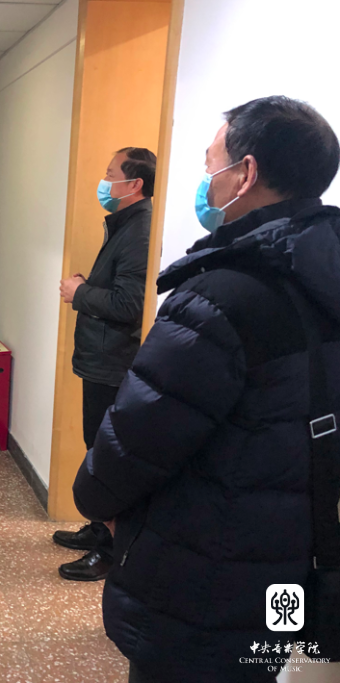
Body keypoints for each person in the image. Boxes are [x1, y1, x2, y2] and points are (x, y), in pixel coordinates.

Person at [73, 96, 340, 683]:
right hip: (292, 554)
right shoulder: (323, 275)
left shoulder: (221, 296)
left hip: (208, 564)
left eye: (210, 163)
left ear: (245, 174)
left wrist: (95, 497)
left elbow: (141, 434)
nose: (205, 180)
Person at [55, 147, 156, 581]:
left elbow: (130, 303)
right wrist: (88, 286)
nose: (104, 180)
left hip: (115, 362)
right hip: (101, 359)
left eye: (111, 173)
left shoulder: (140, 229)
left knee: (110, 458)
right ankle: (99, 528)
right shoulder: (124, 224)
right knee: (96, 448)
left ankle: (110, 550)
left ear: (134, 184)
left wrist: (79, 293)